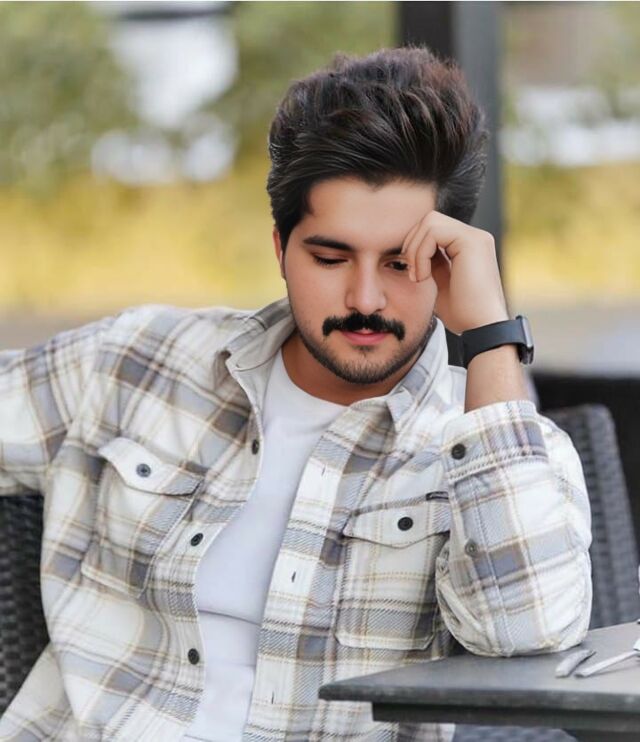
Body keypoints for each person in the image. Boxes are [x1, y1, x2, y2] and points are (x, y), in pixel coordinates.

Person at [0, 46, 591, 742]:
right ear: (281, 248)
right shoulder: (137, 360)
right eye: (331, 258)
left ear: (447, 265)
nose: (365, 299)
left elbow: (527, 639)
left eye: (400, 263)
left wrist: (490, 335)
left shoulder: (501, 453)